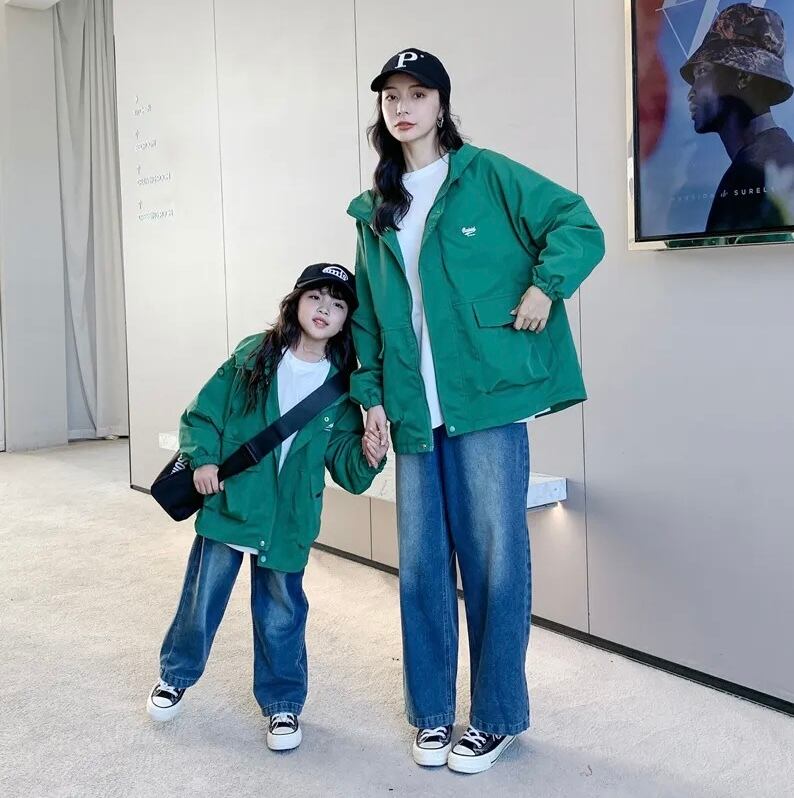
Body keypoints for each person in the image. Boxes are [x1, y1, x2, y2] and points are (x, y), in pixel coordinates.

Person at [348, 48, 605, 774]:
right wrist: (370, 395)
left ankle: (496, 717)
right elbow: (367, 314)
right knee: (422, 567)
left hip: (485, 399)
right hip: (412, 406)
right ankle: (431, 712)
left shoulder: (486, 175)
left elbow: (577, 223)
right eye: (392, 97)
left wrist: (546, 286)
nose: (403, 107)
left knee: (496, 563)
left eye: (417, 94)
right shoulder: (374, 210)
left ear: (441, 104)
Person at [145, 263, 387, 752]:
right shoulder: (253, 357)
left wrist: (369, 454)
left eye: (337, 304)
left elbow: (347, 468)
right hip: (232, 503)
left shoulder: (341, 390)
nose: (324, 309)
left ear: (347, 320)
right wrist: (203, 460)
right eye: (316, 297)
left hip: (289, 520)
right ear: (295, 303)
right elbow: (203, 413)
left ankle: (283, 704)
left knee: (282, 613)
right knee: (201, 599)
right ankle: (175, 675)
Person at [681, 3, 794, 233]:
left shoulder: (752, 174)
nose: (691, 92)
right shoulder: (776, 160)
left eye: (702, 72)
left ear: (743, 76)